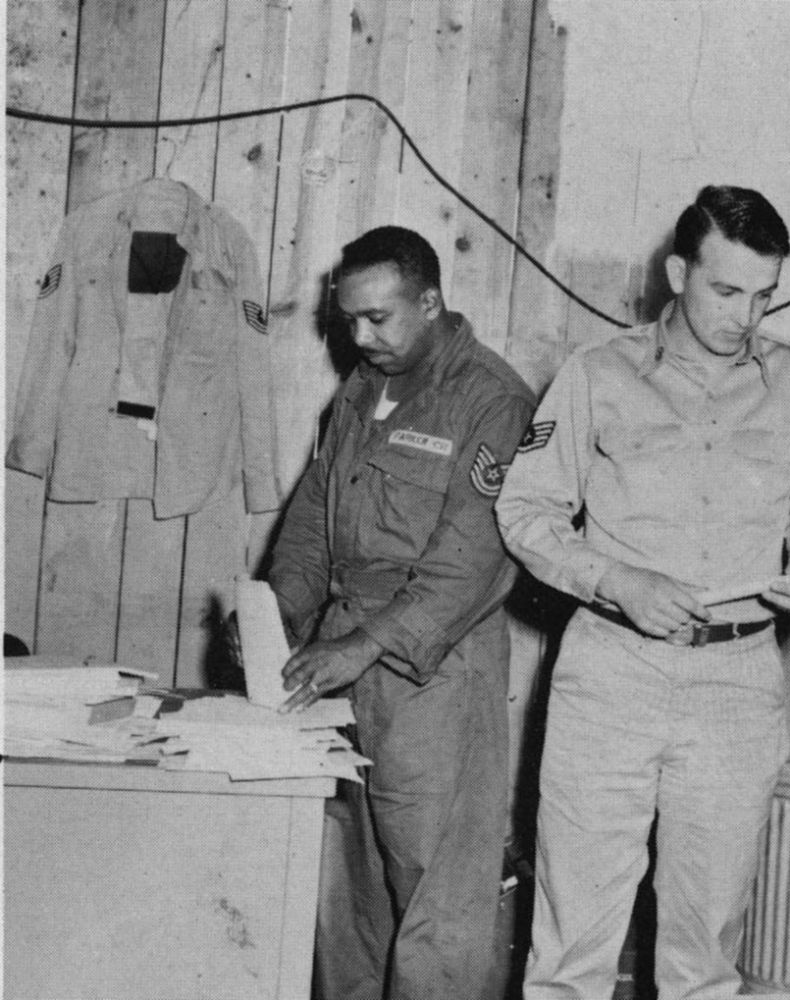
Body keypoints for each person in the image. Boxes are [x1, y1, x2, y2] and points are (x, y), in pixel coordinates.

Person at [496, 185, 790, 999]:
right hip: (612, 672)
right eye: (725, 291)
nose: (744, 317)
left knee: (706, 953)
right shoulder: (598, 373)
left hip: (737, 682)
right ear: (676, 273)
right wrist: (616, 580)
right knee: (571, 949)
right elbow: (525, 510)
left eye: (763, 296)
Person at [266, 225, 535, 1000]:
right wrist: (281, 611)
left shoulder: (492, 400)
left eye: (378, 318)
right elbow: (312, 517)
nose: (359, 337)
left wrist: (363, 643)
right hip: (341, 663)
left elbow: (472, 562)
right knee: (347, 894)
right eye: (348, 319)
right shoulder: (360, 389)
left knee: (437, 905)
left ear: (431, 302)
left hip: (434, 678)